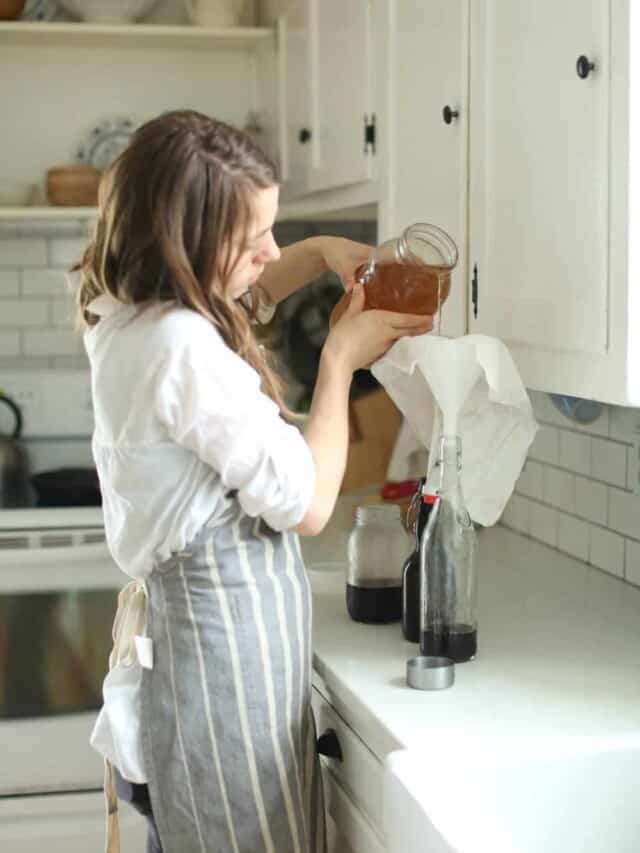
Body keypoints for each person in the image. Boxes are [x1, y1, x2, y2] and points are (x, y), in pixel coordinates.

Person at [75, 109, 432, 853]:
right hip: (223, 682)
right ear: (192, 243)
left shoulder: (129, 316)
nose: (272, 252)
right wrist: (340, 358)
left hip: (216, 668)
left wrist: (324, 251)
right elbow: (308, 502)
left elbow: (246, 294)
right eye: (254, 238)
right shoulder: (180, 346)